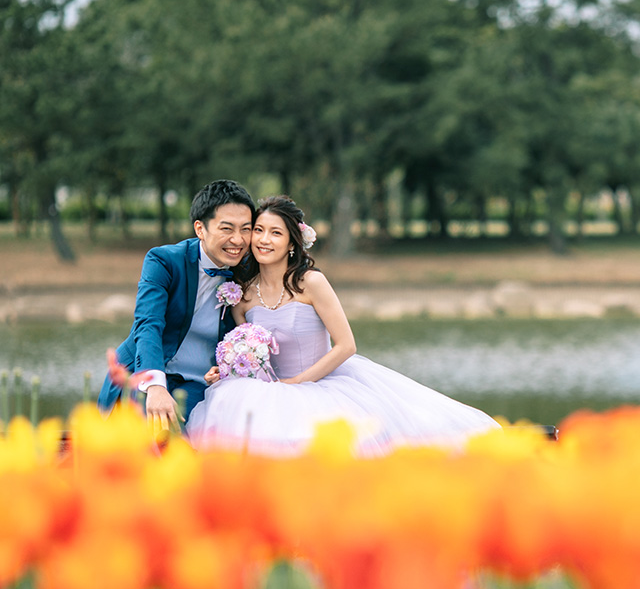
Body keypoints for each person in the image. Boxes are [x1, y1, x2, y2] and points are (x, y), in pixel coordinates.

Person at [186, 195, 500, 456]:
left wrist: (298, 383)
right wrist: (227, 370)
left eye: (276, 233)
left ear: (292, 243)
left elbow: (346, 345)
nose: (264, 240)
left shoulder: (311, 283)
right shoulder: (241, 295)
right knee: (235, 418)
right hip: (270, 390)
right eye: (258, 230)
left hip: (322, 383)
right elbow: (249, 354)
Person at [98, 180, 256, 433]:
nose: (238, 240)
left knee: (182, 435)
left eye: (246, 229)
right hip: (143, 371)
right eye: (227, 228)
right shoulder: (164, 261)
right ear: (200, 229)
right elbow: (147, 324)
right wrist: (155, 385)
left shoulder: (249, 270)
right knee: (134, 436)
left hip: (198, 381)